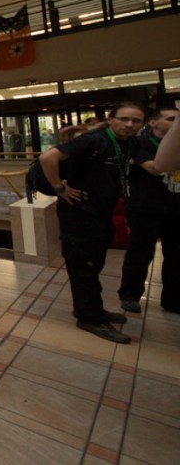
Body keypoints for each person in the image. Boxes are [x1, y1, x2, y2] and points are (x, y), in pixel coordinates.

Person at [38, 102, 146, 343]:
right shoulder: (93, 140)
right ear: (111, 120)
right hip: (79, 213)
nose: (129, 125)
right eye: (124, 119)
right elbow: (48, 157)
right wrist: (59, 187)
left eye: (136, 121)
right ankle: (90, 318)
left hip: (101, 211)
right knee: (84, 266)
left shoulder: (128, 142)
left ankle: (91, 309)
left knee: (93, 264)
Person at [118, 108, 180, 314]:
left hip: (174, 207)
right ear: (153, 123)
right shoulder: (140, 144)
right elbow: (155, 167)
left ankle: (173, 299)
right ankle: (130, 295)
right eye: (171, 119)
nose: (175, 122)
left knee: (176, 255)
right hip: (145, 208)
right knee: (141, 253)